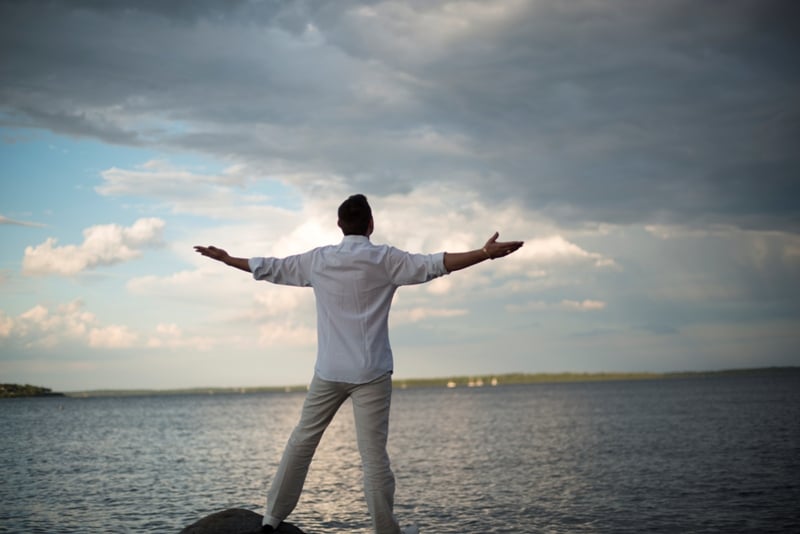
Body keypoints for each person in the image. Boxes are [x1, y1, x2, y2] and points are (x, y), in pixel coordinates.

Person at [194, 194, 523, 534]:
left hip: (329, 371)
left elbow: (271, 267)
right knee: (373, 458)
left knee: (302, 442)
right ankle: (385, 531)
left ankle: (271, 520)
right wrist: (484, 253)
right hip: (372, 372)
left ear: (339, 225)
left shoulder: (319, 260)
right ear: (371, 224)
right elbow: (437, 263)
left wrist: (228, 259)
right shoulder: (385, 259)